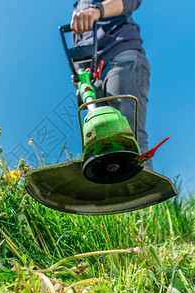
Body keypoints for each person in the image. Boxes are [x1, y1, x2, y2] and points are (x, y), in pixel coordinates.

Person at [70, 0, 152, 169]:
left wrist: (97, 11)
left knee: (130, 137)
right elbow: (80, 48)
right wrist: (80, 77)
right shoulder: (77, 8)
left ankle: (143, 193)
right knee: (102, 146)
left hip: (120, 56)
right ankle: (114, 193)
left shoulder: (90, 8)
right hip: (93, 78)